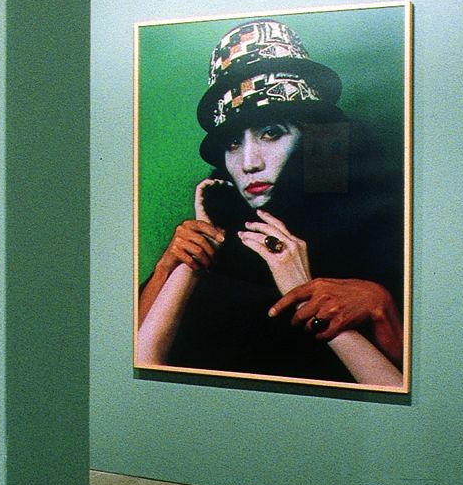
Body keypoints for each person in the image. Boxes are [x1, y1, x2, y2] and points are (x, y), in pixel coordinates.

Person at [136, 19, 403, 388]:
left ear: (314, 139)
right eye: (233, 143)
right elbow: (131, 361)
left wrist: (380, 304)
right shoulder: (221, 228)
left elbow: (416, 385)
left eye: (271, 133)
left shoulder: (376, 220)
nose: (249, 163)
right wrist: (172, 266)